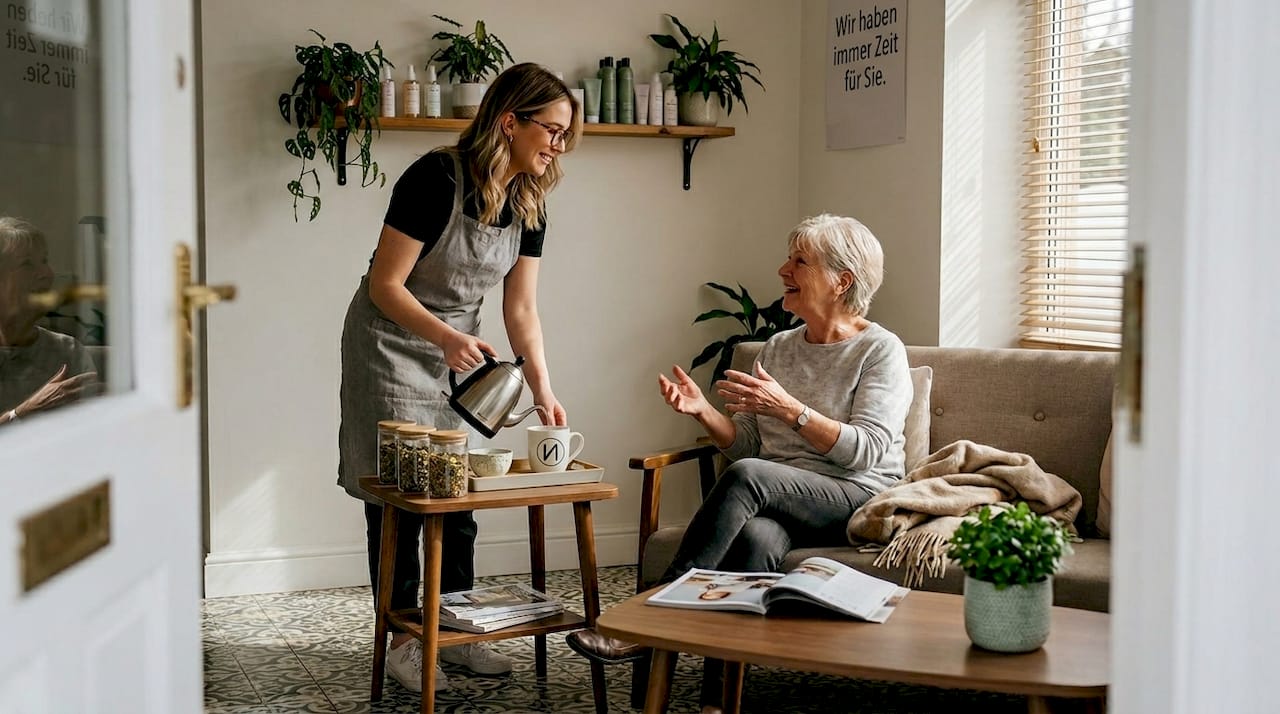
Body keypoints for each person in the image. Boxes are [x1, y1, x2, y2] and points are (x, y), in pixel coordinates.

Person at [567, 214, 913, 713]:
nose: (782, 269)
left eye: (799, 261)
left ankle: (656, 616)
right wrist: (704, 411)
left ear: (843, 280)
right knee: (754, 540)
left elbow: (867, 450)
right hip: (784, 496)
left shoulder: (879, 350)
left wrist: (791, 409)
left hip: (856, 494)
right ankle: (717, 704)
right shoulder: (777, 347)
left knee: (752, 479)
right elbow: (752, 448)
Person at [336, 63, 581, 694]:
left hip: (456, 352)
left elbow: (521, 309)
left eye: (565, 134)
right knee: (401, 502)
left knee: (459, 502)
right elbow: (384, 285)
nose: (559, 144)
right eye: (551, 130)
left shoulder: (529, 201)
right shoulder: (434, 178)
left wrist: (544, 388)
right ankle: (404, 644)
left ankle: (458, 631)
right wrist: (444, 337)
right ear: (510, 121)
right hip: (391, 343)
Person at [0, 217, 99, 425]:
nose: (47, 274)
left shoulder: (68, 351)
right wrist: (23, 413)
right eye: (27, 264)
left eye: (44, 261)